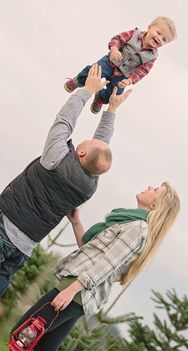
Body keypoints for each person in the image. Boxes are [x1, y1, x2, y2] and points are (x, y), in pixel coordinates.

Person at [0, 64, 131, 296]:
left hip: (5, 228)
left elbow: (64, 120)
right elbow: (100, 149)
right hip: (24, 248)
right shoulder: (89, 186)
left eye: (87, 143)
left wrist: (87, 91)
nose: (87, 140)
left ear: (81, 153)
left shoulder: (56, 159)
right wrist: (111, 111)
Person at [10, 182, 180, 350]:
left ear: (154, 205)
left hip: (76, 290)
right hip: (79, 293)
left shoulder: (137, 228)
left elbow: (107, 264)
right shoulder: (129, 222)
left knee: (20, 338)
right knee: (43, 346)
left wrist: (71, 290)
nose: (150, 186)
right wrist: (76, 222)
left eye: (156, 190)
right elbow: (91, 252)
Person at [64, 16, 176, 114]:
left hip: (122, 76)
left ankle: (100, 98)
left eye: (164, 39)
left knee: (115, 94)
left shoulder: (152, 56)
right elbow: (117, 39)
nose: (159, 38)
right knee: (94, 71)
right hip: (110, 63)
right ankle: (78, 80)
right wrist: (114, 49)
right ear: (149, 27)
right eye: (159, 33)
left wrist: (129, 81)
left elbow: (142, 71)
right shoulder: (134, 34)